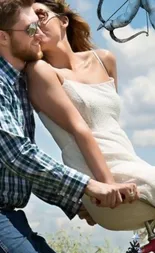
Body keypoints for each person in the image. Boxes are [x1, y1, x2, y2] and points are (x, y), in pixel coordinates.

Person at [0, 1, 138, 253]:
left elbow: (24, 175)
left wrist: (77, 202)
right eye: (30, 28)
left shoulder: (19, 85)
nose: (38, 34)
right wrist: (89, 185)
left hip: (11, 218)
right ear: (4, 38)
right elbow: (18, 156)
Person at [26, 0, 155, 232]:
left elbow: (111, 126)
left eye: (41, 15)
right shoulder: (40, 71)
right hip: (102, 179)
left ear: (63, 20)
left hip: (130, 163)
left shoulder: (104, 60)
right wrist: (108, 185)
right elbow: (80, 130)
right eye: (29, 23)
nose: (35, 24)